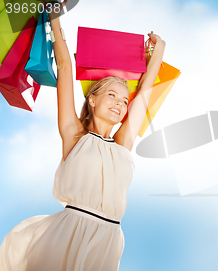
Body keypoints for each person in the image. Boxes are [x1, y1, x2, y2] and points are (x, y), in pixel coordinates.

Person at [0, 4, 165, 271]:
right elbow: (66, 67)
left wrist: (160, 51)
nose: (119, 104)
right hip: (68, 232)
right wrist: (53, 18)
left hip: (109, 239)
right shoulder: (75, 134)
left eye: (124, 100)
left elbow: (144, 93)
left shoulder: (123, 143)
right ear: (93, 99)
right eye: (111, 95)